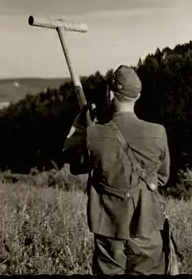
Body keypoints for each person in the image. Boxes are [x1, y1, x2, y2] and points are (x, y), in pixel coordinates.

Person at [62, 65, 170, 275]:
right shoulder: (158, 132)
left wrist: (81, 125)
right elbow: (162, 178)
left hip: (109, 228)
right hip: (147, 225)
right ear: (137, 96)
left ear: (110, 94)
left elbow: (74, 165)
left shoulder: (94, 134)